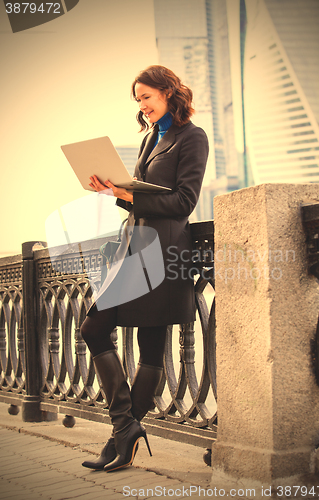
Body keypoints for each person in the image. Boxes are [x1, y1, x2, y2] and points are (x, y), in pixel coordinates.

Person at [80, 65, 209, 472]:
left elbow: (184, 202)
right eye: (137, 100)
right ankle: (126, 430)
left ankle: (122, 435)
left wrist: (126, 194)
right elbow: (139, 197)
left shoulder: (192, 137)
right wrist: (113, 192)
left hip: (165, 253)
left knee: (149, 347)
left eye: (147, 97)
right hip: (136, 251)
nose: (142, 106)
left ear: (169, 93)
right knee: (93, 327)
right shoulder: (153, 138)